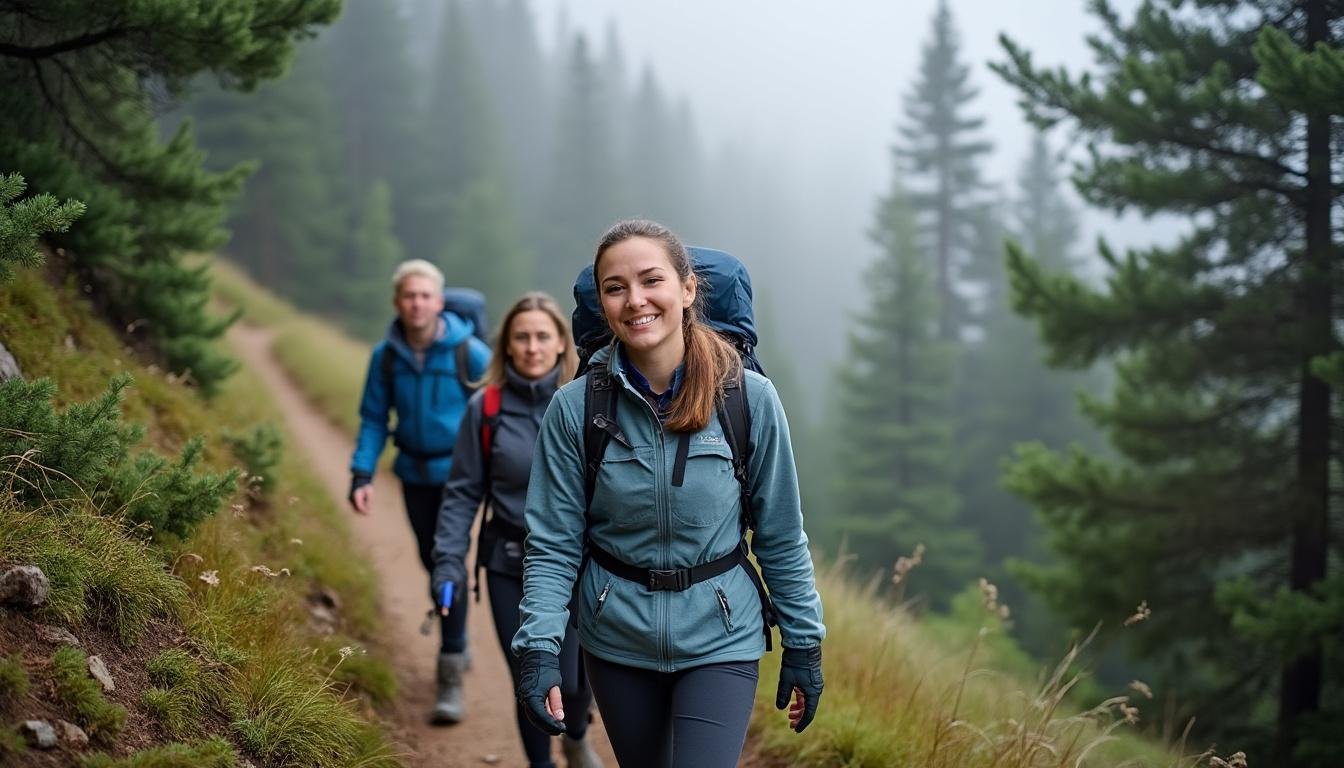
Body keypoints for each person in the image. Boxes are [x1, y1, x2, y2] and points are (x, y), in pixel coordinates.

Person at [511, 219, 826, 768]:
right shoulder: (576, 408)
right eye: (615, 287)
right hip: (616, 636)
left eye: (651, 280)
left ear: (687, 289)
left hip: (721, 635)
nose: (635, 301)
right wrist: (538, 646)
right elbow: (554, 543)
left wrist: (804, 641)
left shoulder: (748, 399)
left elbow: (779, 534)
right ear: (602, 304)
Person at [431, 292, 604, 768]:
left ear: (560, 344)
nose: (531, 347)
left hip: (582, 563)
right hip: (509, 561)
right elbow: (463, 492)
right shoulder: (484, 408)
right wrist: (447, 560)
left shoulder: (585, 402)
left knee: (572, 678)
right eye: (521, 337)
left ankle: (574, 733)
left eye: (542, 336)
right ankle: (541, 764)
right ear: (506, 345)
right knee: (530, 674)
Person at [349, 259, 491, 725]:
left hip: (461, 478)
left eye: (425, 295)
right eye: (409, 296)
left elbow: (501, 406)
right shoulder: (385, 357)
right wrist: (361, 474)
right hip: (412, 473)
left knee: (446, 560)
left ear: (439, 300)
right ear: (397, 302)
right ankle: (459, 635)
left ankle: (449, 670)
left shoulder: (467, 352)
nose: (417, 303)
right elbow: (373, 418)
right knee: (432, 560)